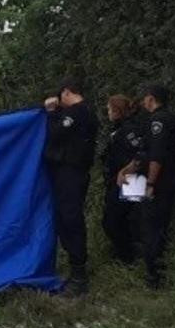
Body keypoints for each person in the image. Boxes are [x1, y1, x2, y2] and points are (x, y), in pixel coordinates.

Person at [43, 78, 99, 296]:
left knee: (70, 218)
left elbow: (56, 133)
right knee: (66, 218)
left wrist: (51, 112)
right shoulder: (86, 113)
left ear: (67, 93)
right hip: (72, 172)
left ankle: (79, 275)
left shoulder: (76, 113)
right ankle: (76, 270)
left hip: (71, 173)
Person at [124, 84, 175, 290]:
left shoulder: (159, 120)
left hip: (160, 184)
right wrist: (127, 170)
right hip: (157, 182)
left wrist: (150, 183)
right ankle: (153, 272)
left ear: (151, 99)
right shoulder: (157, 120)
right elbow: (144, 153)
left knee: (153, 228)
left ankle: (155, 277)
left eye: (145, 98)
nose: (143, 102)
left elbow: (156, 156)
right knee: (147, 225)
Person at [100, 95, 144, 265]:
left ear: (118, 111)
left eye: (110, 109)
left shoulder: (129, 129)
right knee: (121, 220)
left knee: (115, 220)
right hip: (120, 179)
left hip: (131, 180)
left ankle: (128, 257)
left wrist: (127, 170)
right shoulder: (118, 129)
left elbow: (140, 153)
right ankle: (126, 254)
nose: (108, 112)